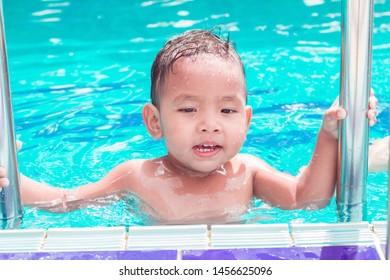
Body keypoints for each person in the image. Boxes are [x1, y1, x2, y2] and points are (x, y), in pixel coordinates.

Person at [0, 29, 378, 224]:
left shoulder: (249, 172)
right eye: (188, 110)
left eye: (227, 112)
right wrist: (10, 176)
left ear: (247, 122)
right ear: (154, 121)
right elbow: (64, 201)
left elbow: (306, 200)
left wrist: (331, 135)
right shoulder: (136, 176)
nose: (209, 126)